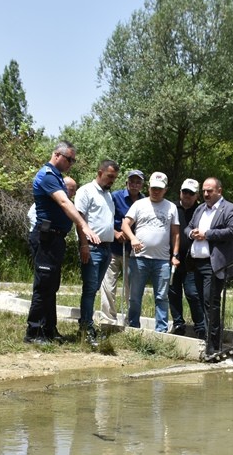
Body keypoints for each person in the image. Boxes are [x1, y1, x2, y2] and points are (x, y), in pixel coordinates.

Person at [25, 141, 100, 344]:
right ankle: (33, 332)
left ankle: (49, 329)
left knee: (52, 285)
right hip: (46, 238)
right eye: (70, 159)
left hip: (56, 238)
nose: (71, 164)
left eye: (73, 161)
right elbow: (64, 202)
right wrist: (84, 226)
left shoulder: (57, 177)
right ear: (57, 155)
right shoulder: (47, 175)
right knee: (43, 285)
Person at [187, 177, 233, 357]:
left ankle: (212, 344)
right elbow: (188, 228)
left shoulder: (230, 209)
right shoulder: (200, 209)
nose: (205, 194)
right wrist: (192, 233)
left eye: (209, 191)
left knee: (210, 303)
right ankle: (206, 338)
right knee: (198, 300)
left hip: (214, 265)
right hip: (196, 262)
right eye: (204, 191)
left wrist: (207, 234)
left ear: (219, 191)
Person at [122, 172, 179, 332]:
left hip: (162, 260)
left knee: (162, 297)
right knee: (135, 296)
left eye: (159, 189)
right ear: (148, 188)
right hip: (139, 258)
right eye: (153, 188)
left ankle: (161, 330)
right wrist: (132, 238)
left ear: (165, 189)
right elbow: (125, 224)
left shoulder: (171, 207)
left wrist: (175, 255)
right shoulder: (139, 204)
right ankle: (133, 327)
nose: (156, 191)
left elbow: (175, 233)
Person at [74, 160, 120, 343]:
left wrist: (116, 233)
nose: (112, 181)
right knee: (90, 289)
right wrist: (84, 245)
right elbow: (79, 220)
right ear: (100, 172)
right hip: (92, 249)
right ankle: (86, 328)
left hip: (107, 248)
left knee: (95, 289)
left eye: (115, 178)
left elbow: (104, 222)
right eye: (110, 177)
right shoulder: (86, 191)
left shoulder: (108, 195)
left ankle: (87, 326)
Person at [99, 169, 144, 325]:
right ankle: (108, 320)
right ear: (126, 183)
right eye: (132, 181)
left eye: (138, 182)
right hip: (113, 248)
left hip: (132, 252)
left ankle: (130, 321)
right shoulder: (115, 197)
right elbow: (104, 219)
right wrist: (116, 232)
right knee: (108, 286)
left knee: (131, 289)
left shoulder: (144, 202)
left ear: (142, 185)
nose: (134, 185)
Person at [169, 178, 206, 338]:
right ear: (180, 192)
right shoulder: (171, 208)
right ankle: (178, 324)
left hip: (192, 261)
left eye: (191, 193)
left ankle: (201, 327)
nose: (187, 195)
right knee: (173, 292)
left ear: (196, 195)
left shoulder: (202, 210)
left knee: (192, 293)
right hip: (172, 258)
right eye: (185, 192)